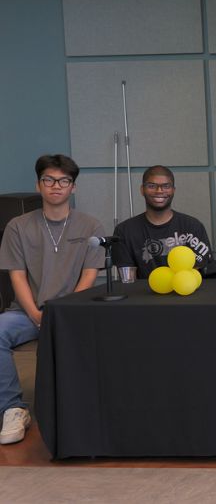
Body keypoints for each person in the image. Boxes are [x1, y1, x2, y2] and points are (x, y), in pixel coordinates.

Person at [0, 155, 104, 445]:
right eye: (49, 179)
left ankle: (85, 406)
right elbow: (17, 276)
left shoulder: (91, 226)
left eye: (63, 181)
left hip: (73, 312)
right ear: (38, 185)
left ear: (73, 187)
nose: (56, 186)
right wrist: (36, 315)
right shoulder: (18, 226)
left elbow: (89, 275)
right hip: (27, 313)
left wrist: (64, 312)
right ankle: (12, 408)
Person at [112, 165, 211, 278]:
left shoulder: (193, 226)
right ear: (142, 190)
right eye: (151, 186)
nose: (159, 191)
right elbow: (128, 282)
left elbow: (200, 273)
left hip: (186, 289)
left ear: (173, 190)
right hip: (142, 290)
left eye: (166, 186)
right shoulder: (124, 231)